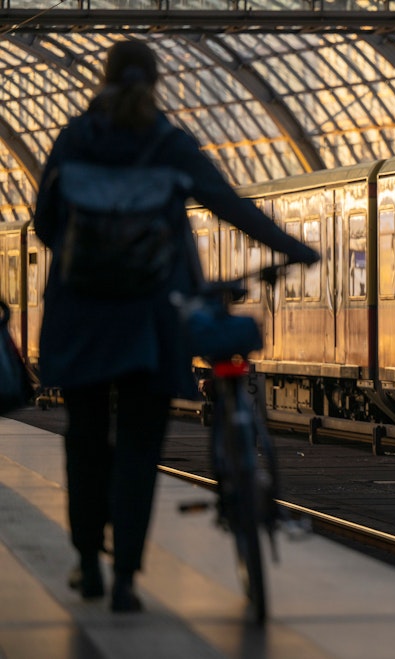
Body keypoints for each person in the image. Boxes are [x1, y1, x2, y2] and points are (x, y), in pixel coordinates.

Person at [32, 39, 319, 613]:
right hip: (151, 319)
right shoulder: (167, 142)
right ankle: (125, 582)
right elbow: (227, 204)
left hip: (81, 317)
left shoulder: (73, 138)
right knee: (139, 449)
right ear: (155, 81)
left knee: (86, 443)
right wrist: (294, 248)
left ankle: (87, 564)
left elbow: (43, 225)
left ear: (103, 79)